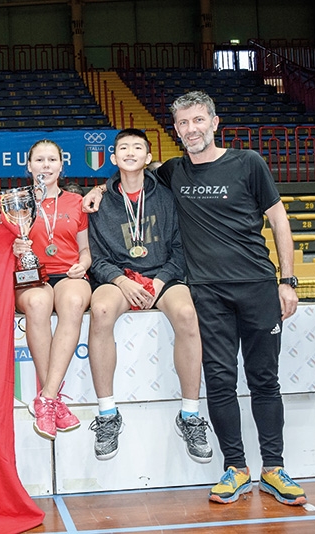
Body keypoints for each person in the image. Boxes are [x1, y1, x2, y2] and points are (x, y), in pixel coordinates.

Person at [83, 91, 305, 506]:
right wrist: (97, 189)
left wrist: (287, 280)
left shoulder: (249, 163)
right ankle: (235, 468)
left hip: (257, 284)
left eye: (198, 120)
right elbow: (129, 175)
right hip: (207, 290)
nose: (191, 129)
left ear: (214, 122)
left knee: (264, 380)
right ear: (176, 130)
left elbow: (278, 219)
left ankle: (274, 468)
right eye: (183, 123)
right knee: (220, 381)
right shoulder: (173, 172)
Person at [86, 128, 212, 464]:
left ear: (147, 156)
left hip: (162, 276)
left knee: (187, 314)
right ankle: (107, 415)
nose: (129, 152)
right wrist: (120, 281)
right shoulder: (98, 201)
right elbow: (96, 258)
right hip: (120, 279)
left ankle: (190, 415)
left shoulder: (167, 197)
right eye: (122, 147)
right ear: (112, 158)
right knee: (99, 310)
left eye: (137, 147)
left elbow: (180, 250)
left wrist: (158, 283)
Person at [14, 139, 91, 440]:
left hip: (70, 273)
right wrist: (14, 245)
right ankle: (53, 401)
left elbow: (85, 251)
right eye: (39, 160)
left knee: (72, 302)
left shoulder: (76, 201)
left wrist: (83, 265)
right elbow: (0, 247)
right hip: (32, 275)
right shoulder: (16, 202)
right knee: (36, 304)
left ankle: (45, 399)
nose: (45, 166)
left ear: (62, 165)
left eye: (51, 160)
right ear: (28, 165)